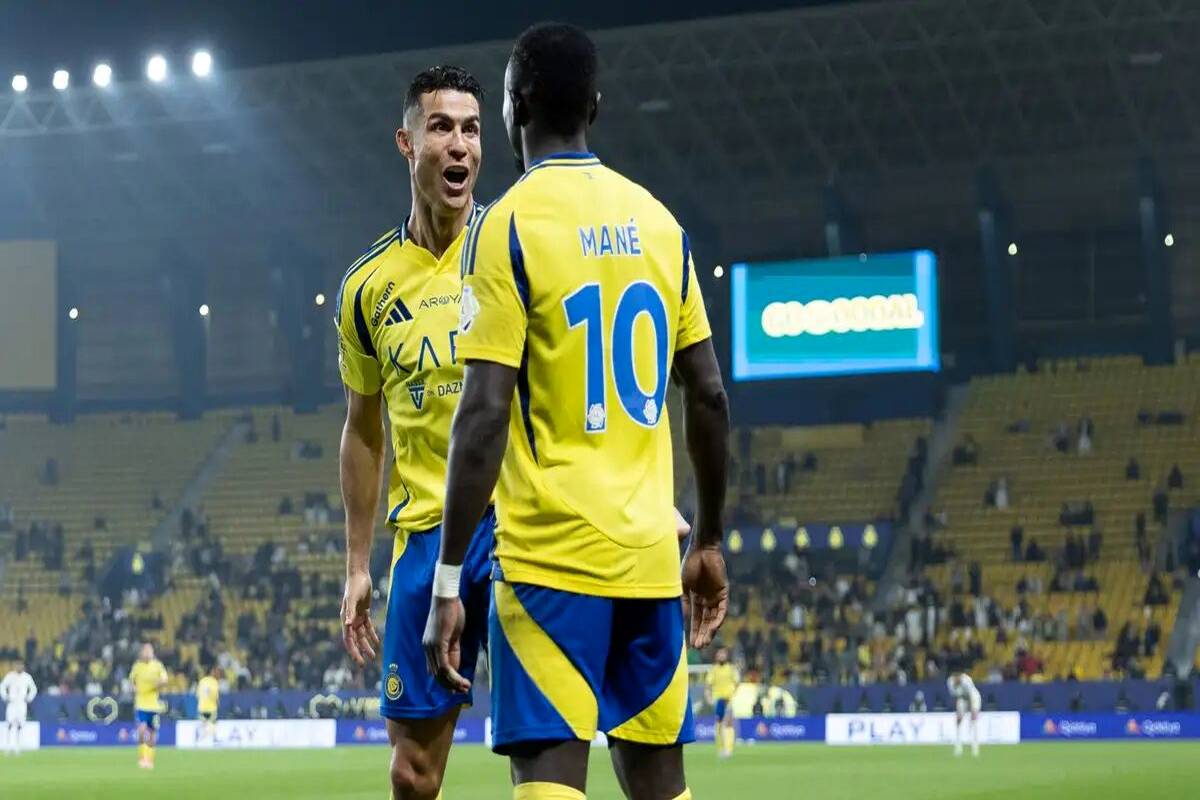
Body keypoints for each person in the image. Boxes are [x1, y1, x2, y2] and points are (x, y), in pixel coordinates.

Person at [423, 23, 730, 800]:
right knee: (661, 784)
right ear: (595, 105)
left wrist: (449, 579)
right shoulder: (659, 223)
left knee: (550, 782)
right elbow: (709, 394)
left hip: (549, 566)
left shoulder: (505, 226)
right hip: (650, 561)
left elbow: (482, 416)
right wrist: (709, 541)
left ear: (513, 106)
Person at [333, 64, 497, 800]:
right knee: (412, 774)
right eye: (441, 127)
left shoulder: (511, 249)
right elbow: (362, 430)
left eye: (472, 129)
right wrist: (357, 564)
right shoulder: (366, 287)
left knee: (544, 749)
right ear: (407, 143)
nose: (460, 144)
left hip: (518, 527)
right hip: (425, 539)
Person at [130, 643, 168, 769]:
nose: (147, 653)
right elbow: (131, 681)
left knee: (152, 733)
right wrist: (134, 688)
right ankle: (142, 758)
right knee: (141, 730)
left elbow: (165, 679)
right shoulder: (137, 666)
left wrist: (159, 683)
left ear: (152, 653)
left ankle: (149, 760)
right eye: (145, 651)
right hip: (141, 704)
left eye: (149, 651)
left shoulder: (158, 666)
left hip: (154, 705)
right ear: (142, 653)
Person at [705, 648, 738, 760]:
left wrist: (733, 694)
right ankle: (722, 747)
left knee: (727, 723)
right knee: (719, 725)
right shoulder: (713, 670)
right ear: (716, 656)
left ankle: (728, 749)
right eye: (720, 654)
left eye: (723, 654)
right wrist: (709, 698)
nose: (722, 656)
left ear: (726, 656)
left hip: (728, 700)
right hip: (718, 700)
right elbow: (708, 685)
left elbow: (737, 682)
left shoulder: (731, 669)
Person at [1, 660, 37, 756]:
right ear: (14, 666)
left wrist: (29, 698)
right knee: (9, 724)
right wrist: (5, 697)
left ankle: (18, 747)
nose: (19, 667)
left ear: (23, 666)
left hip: (22, 704)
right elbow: (2, 686)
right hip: (12, 703)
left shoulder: (27, 677)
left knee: (20, 725)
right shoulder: (10, 676)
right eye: (17, 665)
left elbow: (33, 689)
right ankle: (8, 747)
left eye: (20, 665)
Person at [948, 671, 981, 757]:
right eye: (955, 678)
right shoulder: (950, 682)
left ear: (960, 676)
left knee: (974, 721)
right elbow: (955, 696)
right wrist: (959, 712)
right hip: (962, 698)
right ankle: (958, 746)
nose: (956, 680)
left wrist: (973, 711)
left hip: (973, 697)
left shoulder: (966, 680)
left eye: (958, 678)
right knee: (958, 720)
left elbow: (971, 695)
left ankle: (975, 746)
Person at [196, 665, 221, 741]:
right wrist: (218, 703)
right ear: (211, 672)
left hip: (201, 707)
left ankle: (199, 735)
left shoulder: (202, 681)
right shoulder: (214, 682)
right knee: (213, 722)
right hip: (211, 707)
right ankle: (214, 738)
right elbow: (215, 695)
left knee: (204, 723)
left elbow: (197, 695)